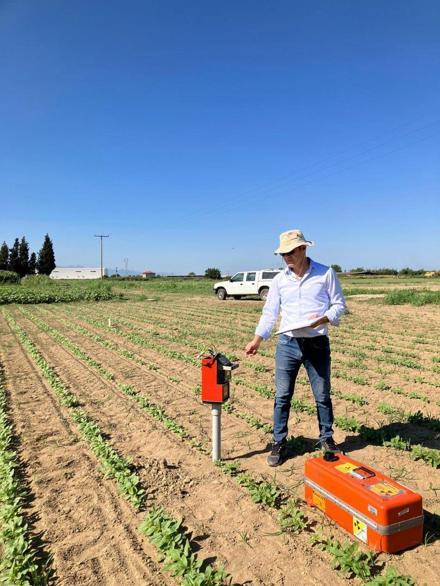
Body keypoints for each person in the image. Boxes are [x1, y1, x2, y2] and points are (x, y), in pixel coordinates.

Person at [245, 229, 346, 466]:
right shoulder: (280, 280)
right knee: (282, 396)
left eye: (290, 251)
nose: (286, 257)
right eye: (283, 254)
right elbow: (270, 313)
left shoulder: (325, 273)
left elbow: (339, 305)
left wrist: (323, 319)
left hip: (317, 343)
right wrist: (257, 340)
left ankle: (327, 438)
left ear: (303, 249)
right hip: (288, 344)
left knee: (322, 395)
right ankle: (278, 442)